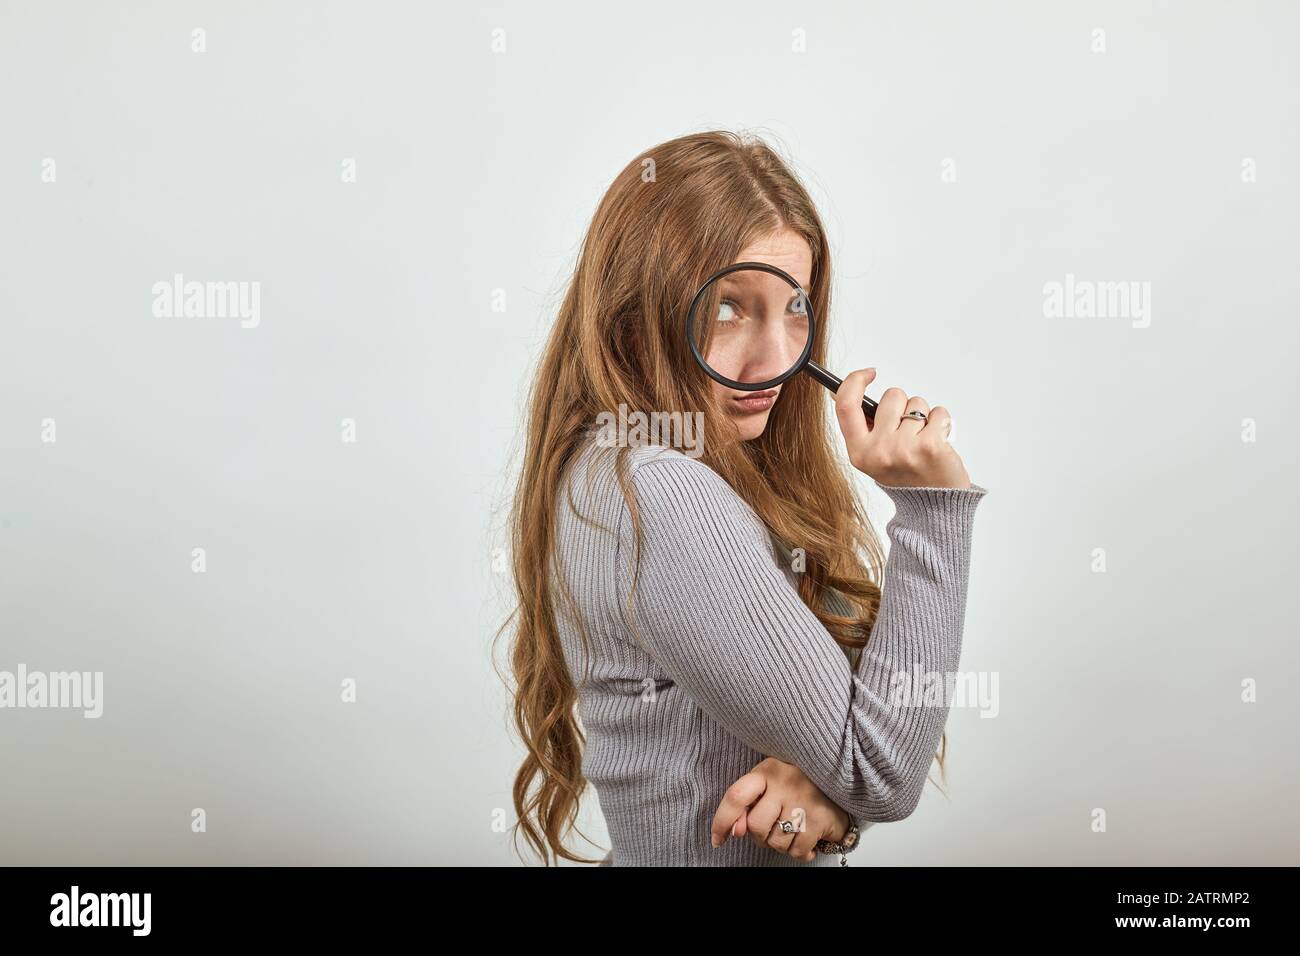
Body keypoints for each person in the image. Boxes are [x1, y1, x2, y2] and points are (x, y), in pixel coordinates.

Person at [503, 130, 988, 866]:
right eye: (728, 308)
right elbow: (884, 767)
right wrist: (931, 512)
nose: (774, 360)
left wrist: (819, 781)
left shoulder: (612, 466)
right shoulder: (660, 492)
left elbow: (852, 742)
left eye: (794, 307)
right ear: (635, 314)